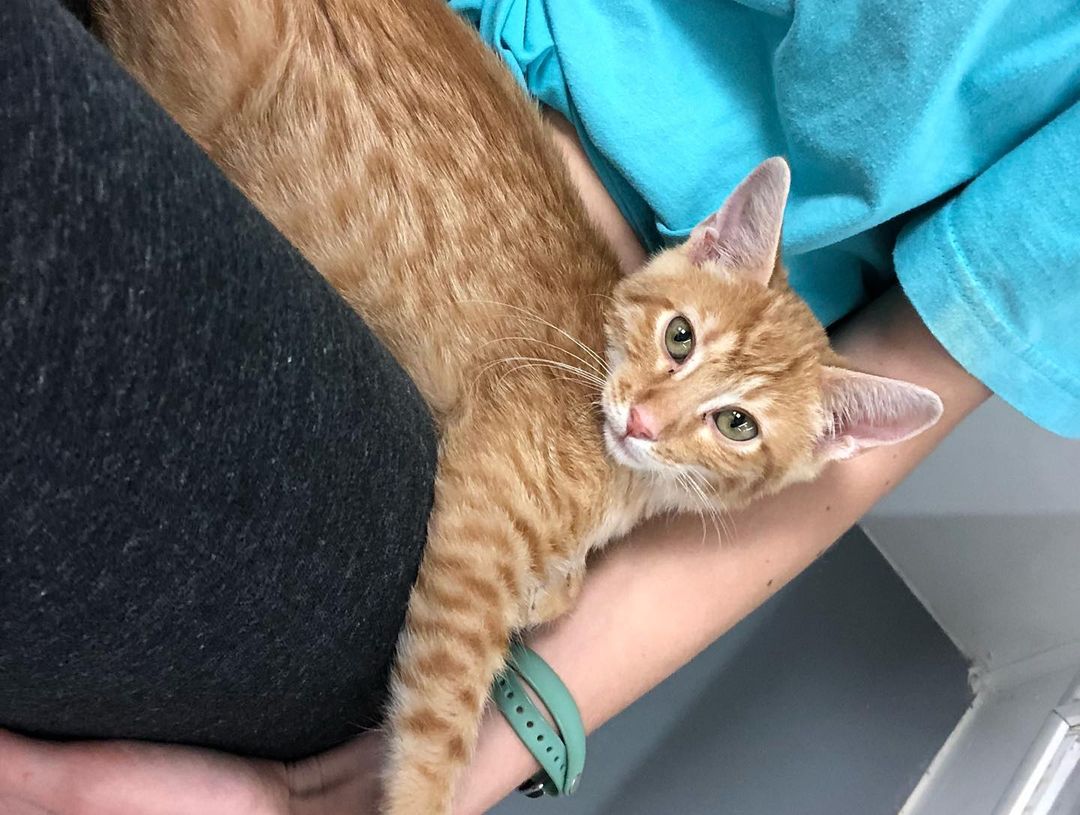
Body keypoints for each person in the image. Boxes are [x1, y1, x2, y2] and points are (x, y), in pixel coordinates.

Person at [2, 0, 1074, 813]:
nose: (650, 414)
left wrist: (514, 725)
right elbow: (473, 550)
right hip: (280, 80)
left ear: (803, 452)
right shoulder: (585, 427)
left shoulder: (655, 443)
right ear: (710, 245)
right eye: (680, 340)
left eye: (731, 424)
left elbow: (919, 356)